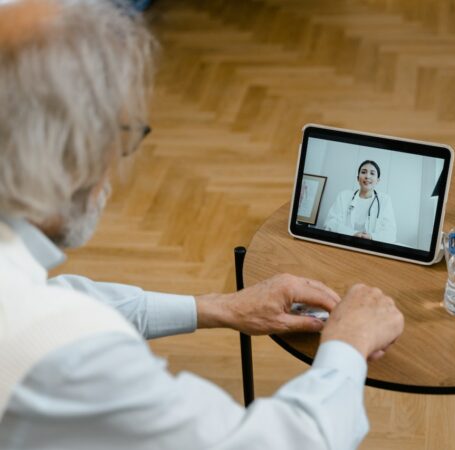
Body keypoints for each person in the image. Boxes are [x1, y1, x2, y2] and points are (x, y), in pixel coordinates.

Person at [0, 1, 405, 449]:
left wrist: (219, 307)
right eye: (117, 138)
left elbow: (56, 301)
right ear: (68, 161)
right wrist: (346, 346)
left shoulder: (28, 304)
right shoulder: (69, 357)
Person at [324, 160, 397, 243]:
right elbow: (330, 224)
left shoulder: (385, 200)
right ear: (358, 178)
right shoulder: (344, 196)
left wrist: (371, 237)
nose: (367, 176)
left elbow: (391, 234)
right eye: (363, 172)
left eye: (372, 173)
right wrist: (353, 234)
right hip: (344, 242)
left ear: (377, 180)